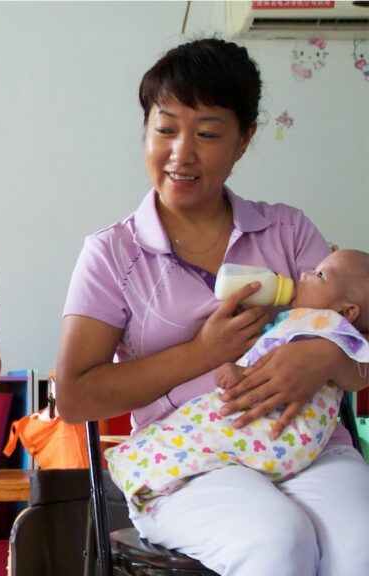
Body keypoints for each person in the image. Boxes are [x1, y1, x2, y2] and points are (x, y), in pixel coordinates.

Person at [56, 38, 369, 576]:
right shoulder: (113, 253)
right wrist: (204, 352)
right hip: (192, 464)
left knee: (362, 544)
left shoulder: (288, 231)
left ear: (244, 140)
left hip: (309, 448)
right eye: (165, 128)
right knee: (276, 543)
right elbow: (76, 396)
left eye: (206, 133)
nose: (181, 152)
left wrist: (325, 360)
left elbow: (359, 323)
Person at [107, 249, 369, 513]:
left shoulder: (335, 330)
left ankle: (147, 470)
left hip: (280, 429)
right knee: (195, 430)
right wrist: (237, 368)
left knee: (199, 437)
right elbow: (265, 361)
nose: (304, 273)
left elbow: (357, 369)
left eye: (320, 275)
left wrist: (331, 357)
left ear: (347, 312)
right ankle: (155, 469)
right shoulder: (294, 320)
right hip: (269, 429)